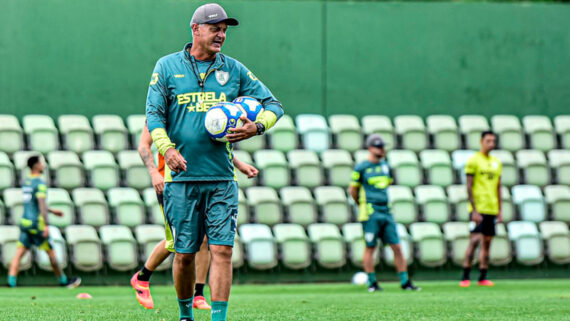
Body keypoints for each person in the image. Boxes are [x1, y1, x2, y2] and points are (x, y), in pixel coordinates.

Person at [145, 3, 283, 321]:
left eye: (225, 29)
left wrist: (257, 126)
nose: (221, 34)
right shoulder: (166, 67)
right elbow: (154, 115)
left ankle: (218, 318)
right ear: (195, 29)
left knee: (222, 249)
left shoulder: (234, 69)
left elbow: (274, 104)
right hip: (181, 179)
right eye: (215, 28)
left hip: (221, 178)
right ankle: (185, 315)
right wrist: (167, 150)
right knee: (184, 254)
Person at [130, 123, 259, 310]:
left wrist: (238, 164)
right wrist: (153, 174)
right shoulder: (160, 108)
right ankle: (142, 277)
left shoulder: (193, 107)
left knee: (206, 238)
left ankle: (198, 294)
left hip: (200, 177)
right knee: (179, 240)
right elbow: (143, 145)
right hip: (171, 182)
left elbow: (205, 144)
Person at [349, 134, 420, 292]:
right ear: (370, 148)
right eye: (379, 147)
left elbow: (386, 185)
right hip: (370, 212)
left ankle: (405, 281)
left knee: (397, 246)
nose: (382, 150)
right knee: (370, 247)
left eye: (383, 147)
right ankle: (372, 283)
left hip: (386, 210)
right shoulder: (361, 168)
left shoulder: (385, 166)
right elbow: (353, 190)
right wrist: (362, 204)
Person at [7, 156, 81, 289]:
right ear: (36, 166)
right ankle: (63, 281)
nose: (44, 165)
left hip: (25, 222)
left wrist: (52, 210)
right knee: (51, 253)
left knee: (19, 253)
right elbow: (41, 205)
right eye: (41, 162)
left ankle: (11, 282)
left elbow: (32, 203)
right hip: (37, 224)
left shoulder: (27, 182)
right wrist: (46, 225)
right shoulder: (40, 184)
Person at [460, 131, 502, 287]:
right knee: (475, 240)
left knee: (487, 242)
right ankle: (465, 276)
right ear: (481, 142)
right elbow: (469, 186)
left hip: (492, 208)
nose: (491, 143)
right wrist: (474, 209)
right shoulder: (473, 161)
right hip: (478, 207)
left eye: (493, 141)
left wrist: (500, 209)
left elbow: (498, 187)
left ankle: (483, 276)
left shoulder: (497, 162)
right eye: (488, 140)